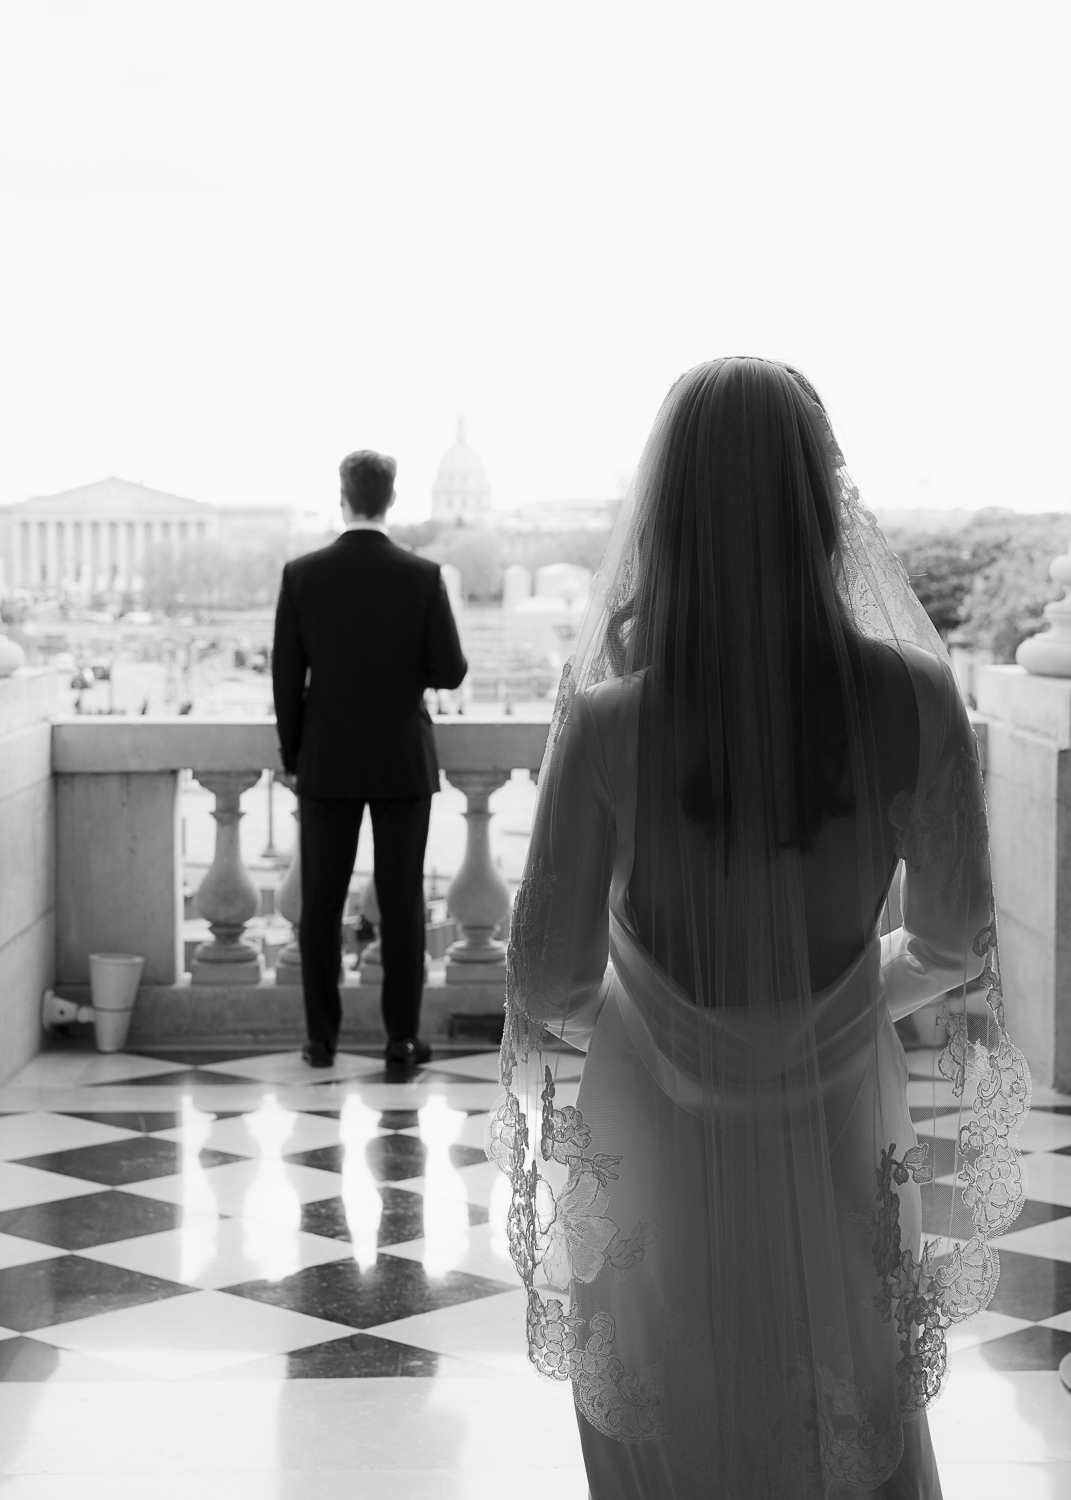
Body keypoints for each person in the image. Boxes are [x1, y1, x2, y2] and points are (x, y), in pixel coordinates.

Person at [485, 359, 1030, 1498]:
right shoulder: (916, 699)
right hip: (838, 1109)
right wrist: (833, 1003)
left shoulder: (607, 722)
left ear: (665, 514)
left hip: (650, 1124)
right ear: (823, 498)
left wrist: (659, 1011)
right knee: (842, 1399)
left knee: (658, 1405)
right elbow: (952, 939)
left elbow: (544, 980)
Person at [272, 449, 467, 1071]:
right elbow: (453, 671)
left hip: (326, 762)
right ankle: (400, 1040)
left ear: (343, 495)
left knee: (321, 907)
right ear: (390, 498)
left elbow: (284, 679)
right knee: (403, 902)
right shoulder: (422, 574)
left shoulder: (302, 574)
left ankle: (321, 1040)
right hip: (400, 761)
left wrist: (294, 755)